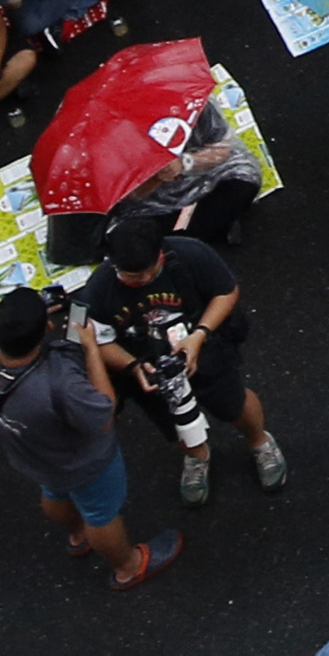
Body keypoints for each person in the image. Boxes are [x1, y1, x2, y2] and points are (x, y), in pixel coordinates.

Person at [0, 290, 171, 586]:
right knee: (101, 514)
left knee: (55, 492)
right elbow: (103, 415)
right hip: (83, 462)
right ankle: (128, 566)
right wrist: (91, 348)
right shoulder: (60, 382)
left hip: (32, 456)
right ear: (47, 328)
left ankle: (77, 535)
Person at [82, 208, 285, 506]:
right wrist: (134, 365)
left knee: (235, 403)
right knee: (178, 423)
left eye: (152, 270)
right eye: (134, 277)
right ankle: (196, 457)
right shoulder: (99, 289)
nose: (145, 279)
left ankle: (260, 442)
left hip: (204, 351)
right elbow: (95, 340)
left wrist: (199, 335)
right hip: (152, 371)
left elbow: (226, 292)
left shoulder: (191, 253)